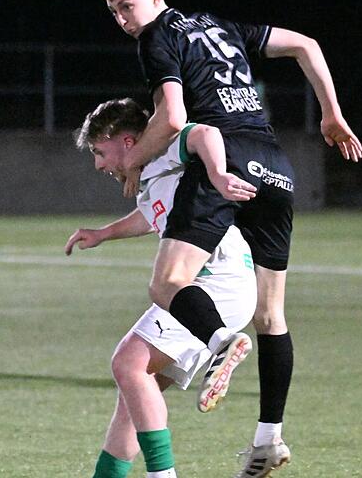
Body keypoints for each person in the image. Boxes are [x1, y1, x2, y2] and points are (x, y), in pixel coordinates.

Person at [98, 0, 362, 476]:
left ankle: (220, 340)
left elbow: (174, 118)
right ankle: (269, 439)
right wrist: (331, 113)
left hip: (226, 154)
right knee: (272, 317)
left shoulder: (157, 37)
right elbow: (306, 44)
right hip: (275, 165)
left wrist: (133, 162)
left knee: (167, 281)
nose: (124, 20)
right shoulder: (223, 28)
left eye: (127, 6)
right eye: (114, 12)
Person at [65, 98, 258, 478]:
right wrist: (104, 233)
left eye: (99, 152)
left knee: (127, 363)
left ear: (125, 141)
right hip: (218, 283)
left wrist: (218, 173)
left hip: (211, 281)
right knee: (136, 391)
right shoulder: (148, 175)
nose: (98, 164)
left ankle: (162, 476)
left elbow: (203, 132)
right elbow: (149, 216)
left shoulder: (163, 148)